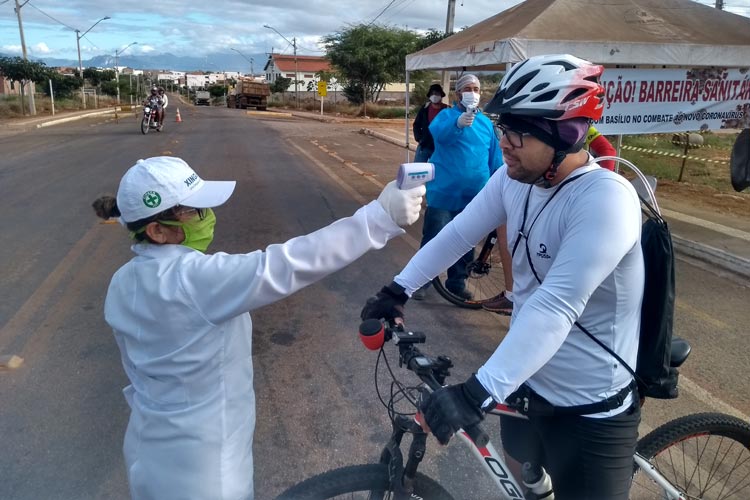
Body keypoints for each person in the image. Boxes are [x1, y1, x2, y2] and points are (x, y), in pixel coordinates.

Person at [361, 54, 643, 499]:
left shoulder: (605, 200)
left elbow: (556, 305)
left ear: (564, 134)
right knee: (522, 479)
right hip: (528, 382)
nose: (504, 142)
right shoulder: (515, 178)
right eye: (503, 127)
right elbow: (458, 234)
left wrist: (476, 394)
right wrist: (397, 288)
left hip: (591, 407)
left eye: (519, 131)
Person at [92, 156, 425, 500]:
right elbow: (285, 264)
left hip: (147, 451)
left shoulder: (122, 282)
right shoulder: (192, 280)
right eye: (194, 212)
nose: (208, 217)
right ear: (157, 231)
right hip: (204, 470)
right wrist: (379, 218)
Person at [479, 124, 618, 315]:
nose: (503, 142)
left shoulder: (580, 128)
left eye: (518, 132)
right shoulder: (508, 177)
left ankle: (512, 294)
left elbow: (607, 150)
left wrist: (602, 179)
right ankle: (513, 294)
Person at [412, 73, 503, 300]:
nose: (472, 93)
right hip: (444, 191)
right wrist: (457, 124)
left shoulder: (485, 123)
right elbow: (439, 136)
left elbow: (495, 158)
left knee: (466, 241)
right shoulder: (445, 116)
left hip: (475, 194)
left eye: (476, 88)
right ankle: (420, 280)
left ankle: (456, 281)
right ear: (457, 94)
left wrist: (499, 184)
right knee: (434, 237)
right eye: (467, 88)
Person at [412, 83, 449, 162]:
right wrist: (419, 138)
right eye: (432, 93)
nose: (434, 95)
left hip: (440, 147)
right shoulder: (425, 108)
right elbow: (416, 125)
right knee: (418, 169)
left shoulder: (447, 110)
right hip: (424, 146)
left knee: (438, 171)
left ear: (441, 95)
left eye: (437, 93)